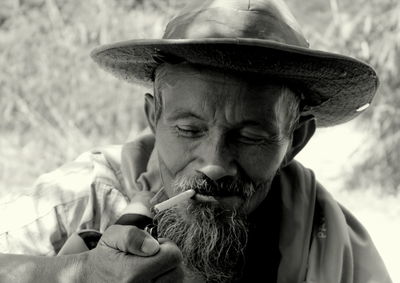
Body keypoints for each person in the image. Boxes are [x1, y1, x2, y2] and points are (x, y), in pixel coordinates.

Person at [0, 0, 393, 282]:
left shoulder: (321, 235)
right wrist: (82, 273)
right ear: (154, 117)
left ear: (296, 140)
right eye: (189, 130)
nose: (215, 163)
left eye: (252, 135)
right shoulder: (85, 197)